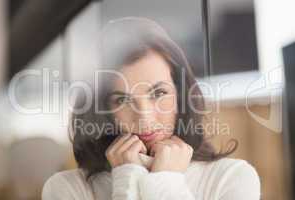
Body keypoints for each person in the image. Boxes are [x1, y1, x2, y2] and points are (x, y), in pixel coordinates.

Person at [42, 17, 261, 200]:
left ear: (180, 95)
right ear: (103, 110)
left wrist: (167, 180)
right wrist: (128, 176)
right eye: (122, 100)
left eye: (158, 93)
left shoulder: (231, 177)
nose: (144, 118)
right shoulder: (67, 188)